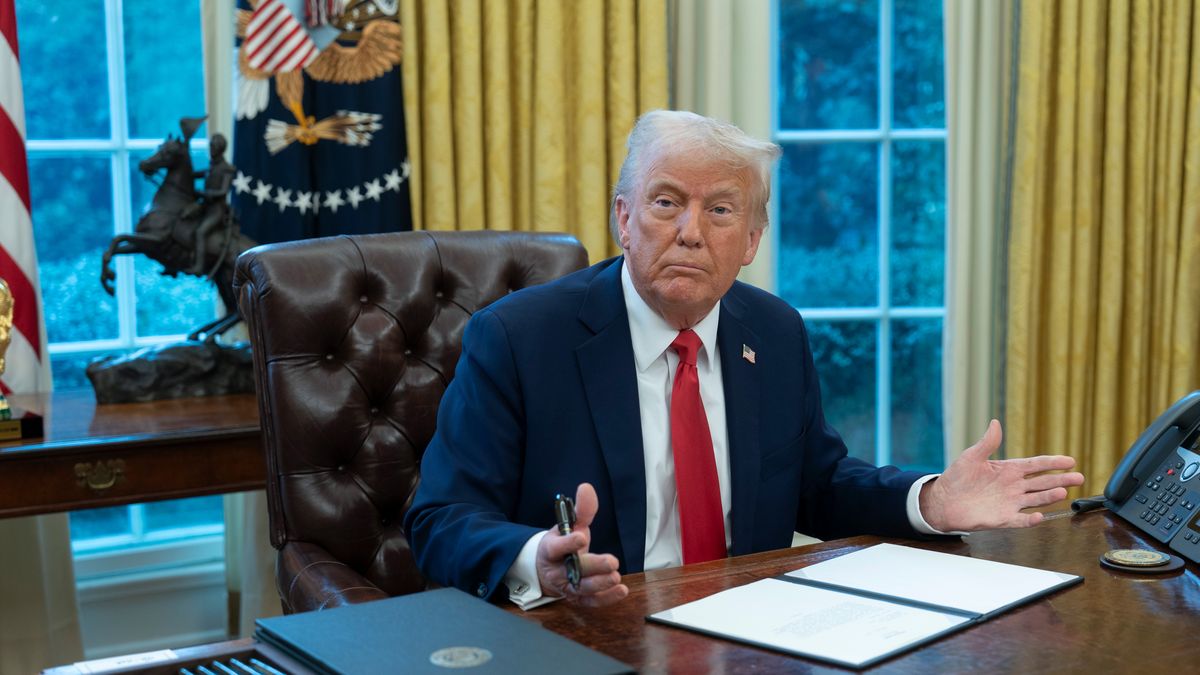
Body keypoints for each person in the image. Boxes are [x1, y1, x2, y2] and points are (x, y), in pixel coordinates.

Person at [403, 110, 1084, 610]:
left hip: (749, 633)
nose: (690, 232)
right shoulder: (519, 338)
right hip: (587, 635)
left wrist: (929, 499)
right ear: (623, 217)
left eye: (721, 210)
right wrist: (537, 561)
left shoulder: (775, 331)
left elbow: (818, 485)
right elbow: (439, 517)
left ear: (752, 238)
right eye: (666, 202)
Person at [184, 134, 236, 275]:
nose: (211, 149)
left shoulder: (227, 169)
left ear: (220, 148)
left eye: (213, 146)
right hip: (205, 207)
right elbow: (191, 174)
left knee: (200, 232)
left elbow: (223, 192)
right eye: (210, 146)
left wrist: (205, 193)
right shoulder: (210, 168)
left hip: (216, 210)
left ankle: (199, 266)